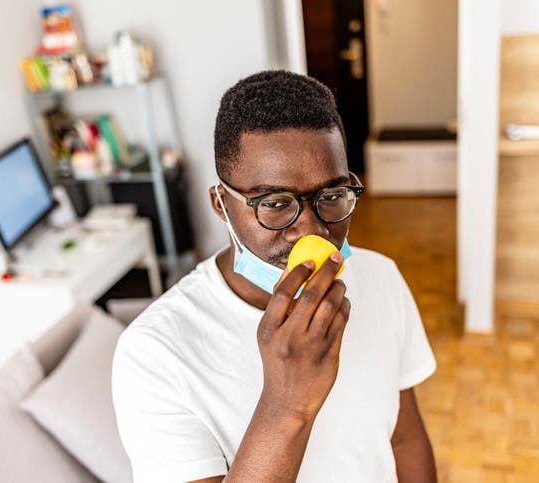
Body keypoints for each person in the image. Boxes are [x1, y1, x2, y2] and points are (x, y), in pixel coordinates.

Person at [112, 70, 437, 483]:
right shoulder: (153, 354)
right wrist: (287, 406)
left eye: (331, 196)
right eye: (276, 203)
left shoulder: (380, 278)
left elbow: (404, 439)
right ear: (221, 203)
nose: (312, 231)